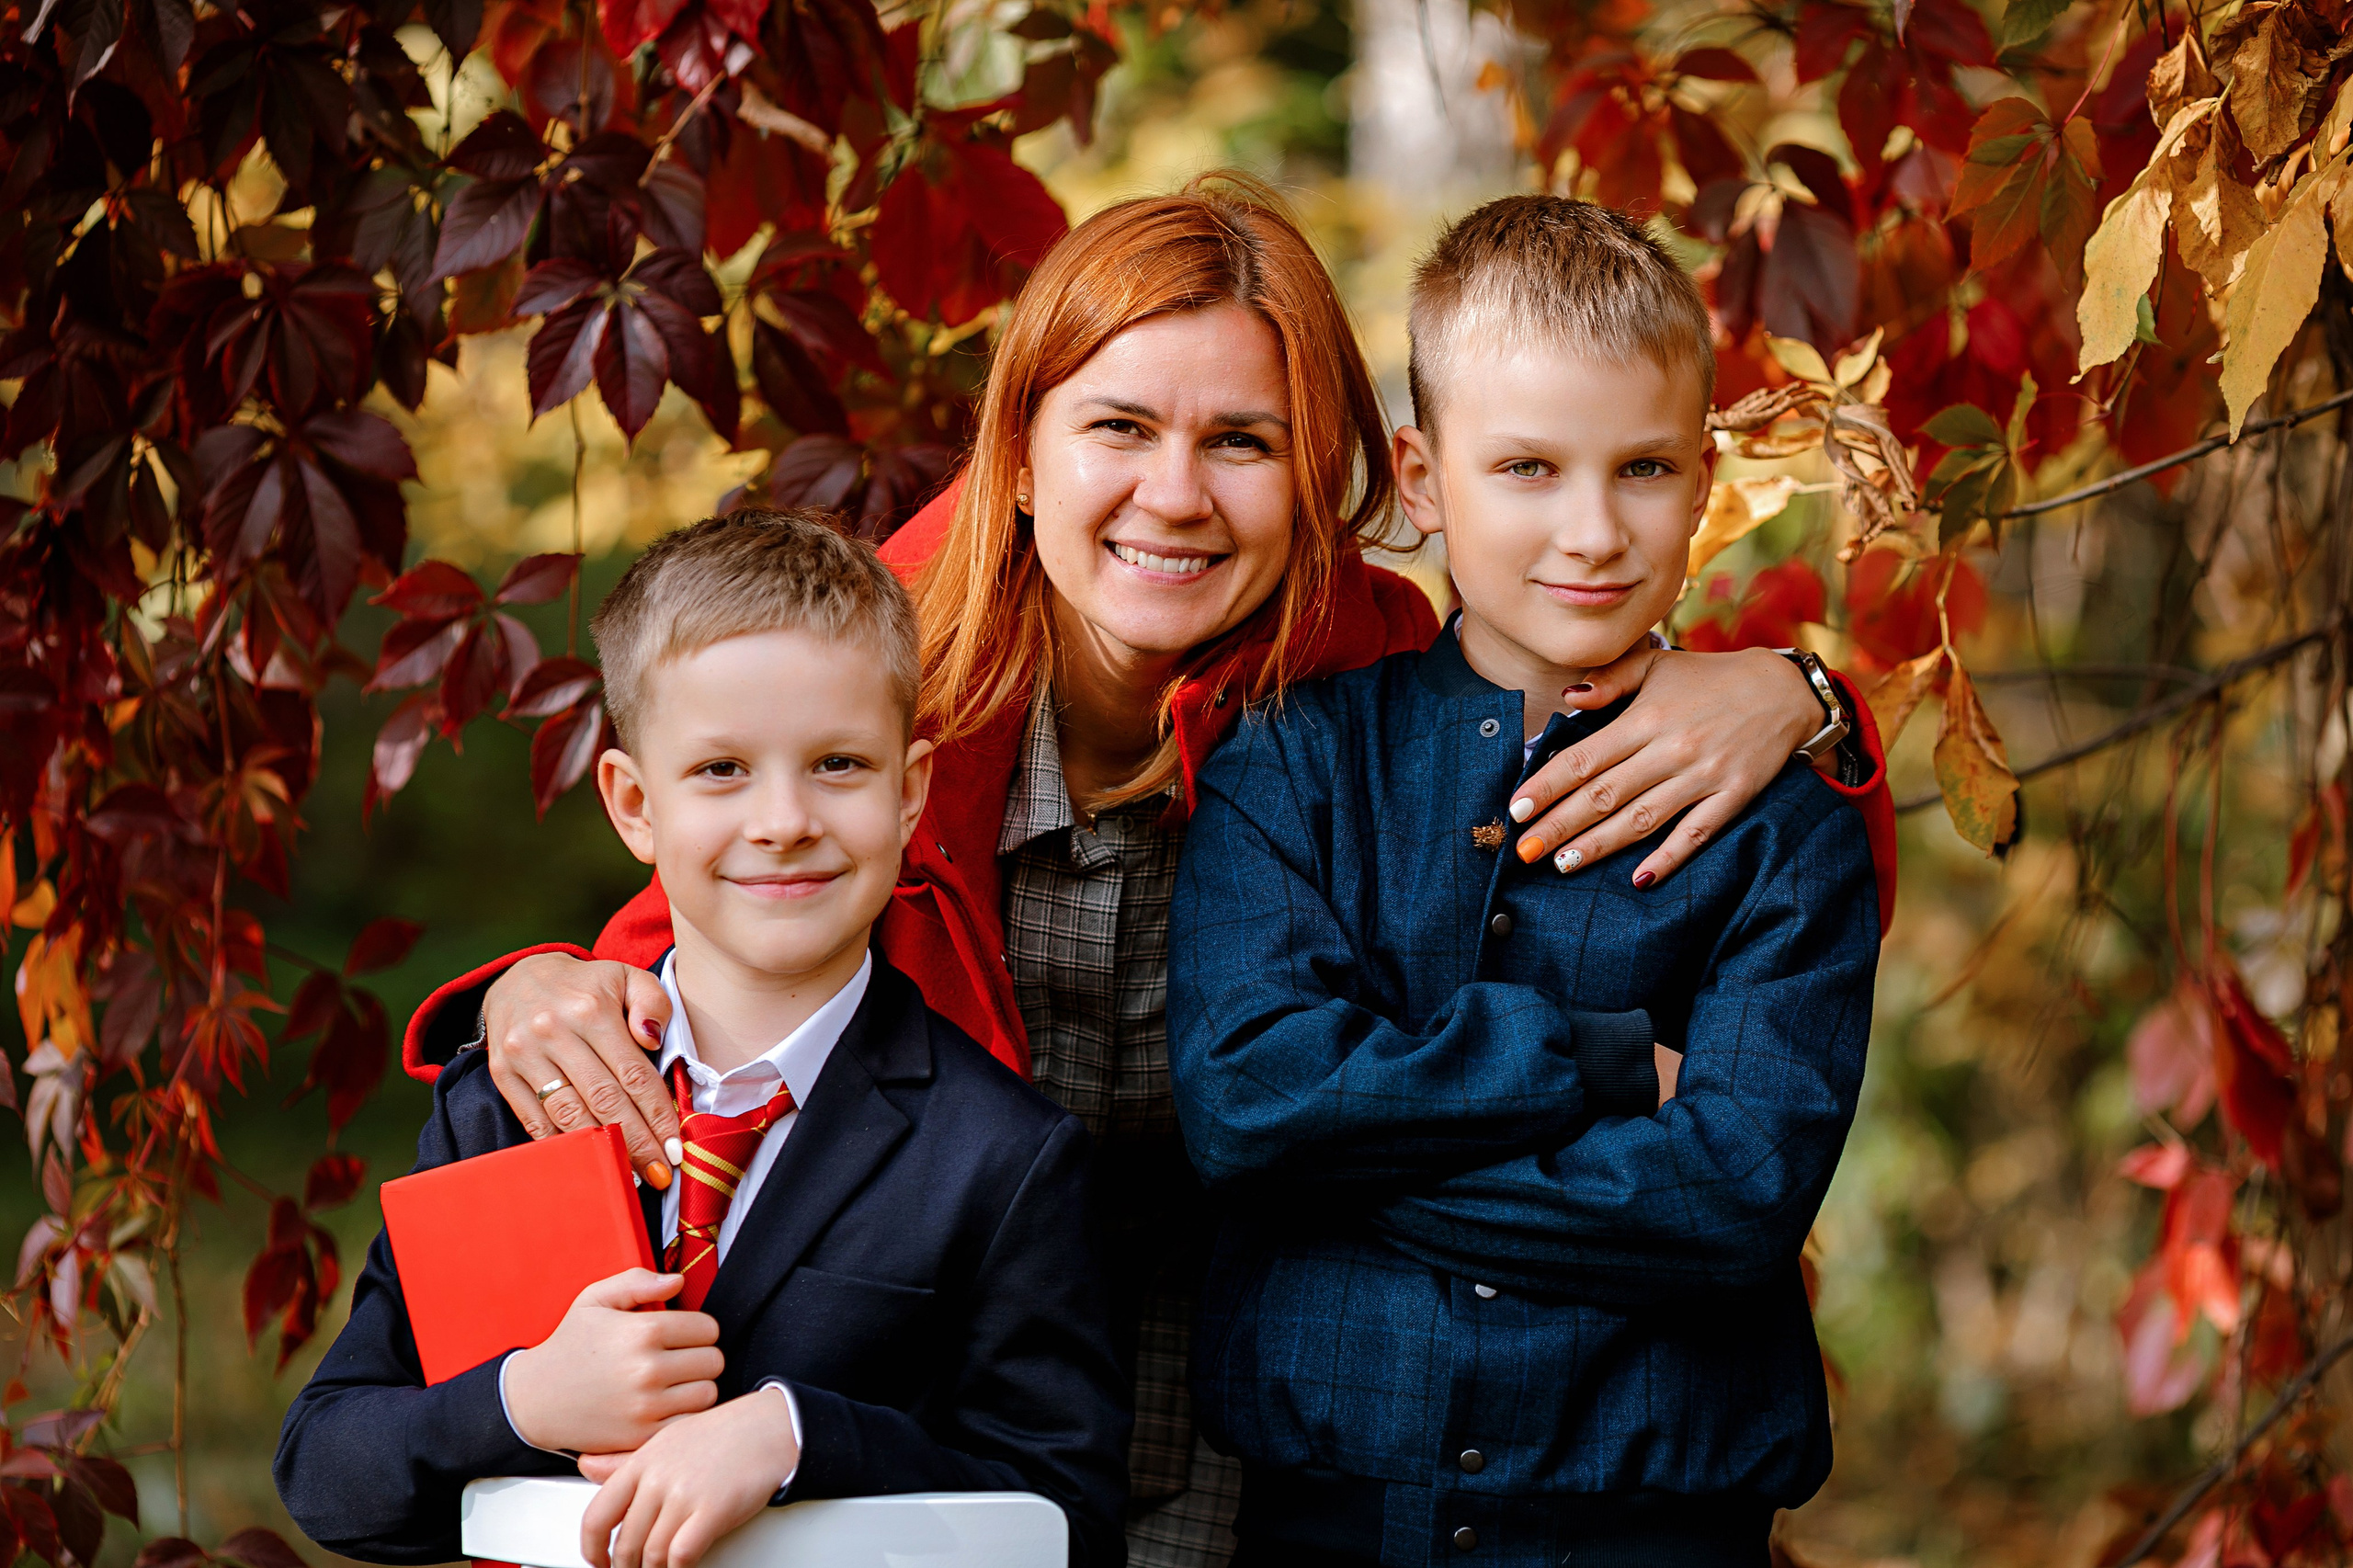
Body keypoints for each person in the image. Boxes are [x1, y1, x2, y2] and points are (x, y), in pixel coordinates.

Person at [395, 175, 1893, 1568]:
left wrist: (1802, 694)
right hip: (916, 1425)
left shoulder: (1350, 665)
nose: (1175, 497)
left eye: (1240, 442)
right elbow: (696, 929)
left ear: (1317, 472)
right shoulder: (885, 687)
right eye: (1119, 427)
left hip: (1264, 1425)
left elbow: (1740, 859)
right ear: (1025, 450)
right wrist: (534, 986)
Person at [1165, 197, 1884, 1568]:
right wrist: (1605, 1063)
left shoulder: (1786, 819)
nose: (1596, 530)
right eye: (1531, 469)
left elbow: (1734, 1196)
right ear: (1426, 479)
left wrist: (1338, 1168)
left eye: (1645, 469)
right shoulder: (1294, 763)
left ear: (1706, 477)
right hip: (1326, 1528)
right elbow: (1250, 1096)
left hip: (1655, 1530)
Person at [275, 513, 1129, 1568]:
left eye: (838, 764)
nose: (782, 818)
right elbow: (326, 1472)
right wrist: (525, 1398)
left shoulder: (1002, 1156)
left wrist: (798, 1435)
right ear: (635, 804)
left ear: (909, 793)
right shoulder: (504, 1103)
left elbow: (1067, 1526)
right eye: (721, 769)